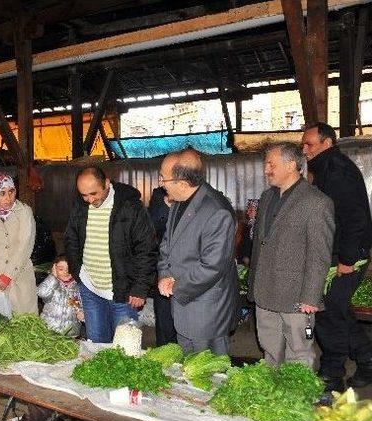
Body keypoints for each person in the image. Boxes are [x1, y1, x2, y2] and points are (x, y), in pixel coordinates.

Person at [248, 143, 334, 367]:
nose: (266, 169)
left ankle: (299, 400)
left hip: (296, 296)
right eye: (266, 164)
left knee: (299, 353)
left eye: (271, 164)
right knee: (270, 351)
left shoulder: (317, 202)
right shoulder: (267, 197)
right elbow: (260, 244)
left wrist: (311, 296)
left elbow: (320, 253)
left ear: (291, 165)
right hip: (265, 292)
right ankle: (274, 398)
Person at [302, 122, 372, 391]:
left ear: (327, 143)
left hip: (346, 258)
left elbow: (355, 219)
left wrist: (346, 260)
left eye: (309, 144)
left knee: (328, 312)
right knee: (338, 310)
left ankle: (332, 373)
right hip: (336, 255)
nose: (304, 149)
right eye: (303, 144)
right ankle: (367, 360)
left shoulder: (337, 171)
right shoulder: (323, 169)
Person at [157, 150, 237, 354]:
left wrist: (177, 287)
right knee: (188, 373)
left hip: (205, 312)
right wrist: (165, 274)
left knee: (209, 373)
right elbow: (167, 244)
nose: (160, 183)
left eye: (163, 178)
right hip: (183, 307)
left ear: (182, 183)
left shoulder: (217, 211)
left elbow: (212, 266)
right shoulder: (180, 201)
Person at [64, 166, 157, 343]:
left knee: (124, 347)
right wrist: (78, 273)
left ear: (106, 183)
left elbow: (147, 249)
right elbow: (71, 238)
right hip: (90, 288)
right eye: (84, 195)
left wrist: (140, 288)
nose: (90, 200)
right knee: (96, 344)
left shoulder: (130, 206)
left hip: (124, 292)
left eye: (93, 193)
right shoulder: (81, 206)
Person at [0, 174, 38, 315]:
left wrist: (7, 275)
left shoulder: (24, 212)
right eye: (2, 193)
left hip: (19, 276)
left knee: (25, 324)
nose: (8, 198)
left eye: (11, 192)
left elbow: (25, 245)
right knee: (0, 327)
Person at [147, 186, 177, 346]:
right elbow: (151, 229)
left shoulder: (196, 197)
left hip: (189, 273)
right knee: (165, 321)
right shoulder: (159, 196)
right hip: (164, 269)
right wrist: (166, 206)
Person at [37, 254, 82, 337]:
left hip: (70, 333)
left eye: (69, 269)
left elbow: (79, 306)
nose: (65, 272)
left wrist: (81, 314)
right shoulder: (52, 285)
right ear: (54, 269)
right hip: (49, 330)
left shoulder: (78, 288)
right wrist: (52, 277)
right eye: (61, 269)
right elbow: (42, 292)